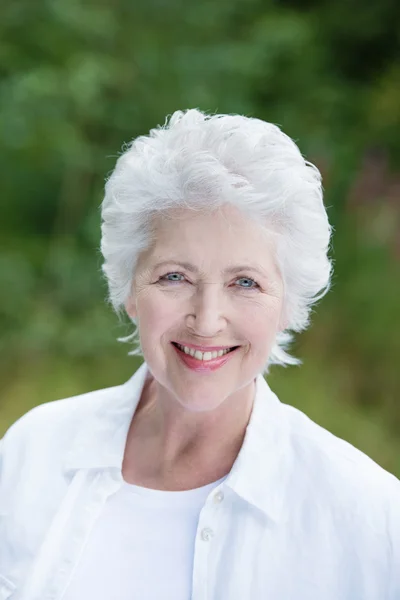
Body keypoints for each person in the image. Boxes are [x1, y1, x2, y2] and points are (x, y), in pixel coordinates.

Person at [0, 109, 399, 600]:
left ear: (288, 305)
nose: (207, 320)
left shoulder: (367, 516)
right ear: (129, 287)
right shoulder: (33, 450)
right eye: (175, 277)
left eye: (245, 282)